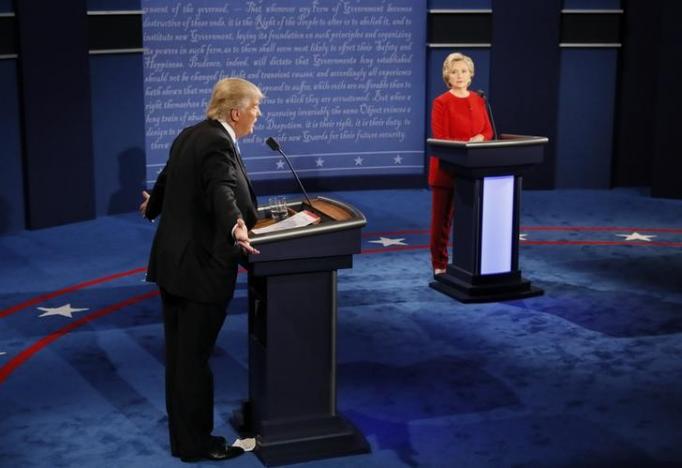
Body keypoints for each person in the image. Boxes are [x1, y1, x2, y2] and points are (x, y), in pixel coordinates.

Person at [139, 77, 262, 462]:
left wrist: (153, 206)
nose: (258, 115)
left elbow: (167, 176)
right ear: (236, 112)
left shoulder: (191, 134)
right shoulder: (217, 143)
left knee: (180, 358)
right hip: (200, 269)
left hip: (173, 265)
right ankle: (197, 443)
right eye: (255, 108)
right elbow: (220, 188)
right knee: (193, 361)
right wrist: (234, 224)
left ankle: (184, 440)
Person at [429, 52, 493, 276]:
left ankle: (469, 263)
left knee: (470, 220)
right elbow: (441, 137)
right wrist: (468, 142)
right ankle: (440, 264)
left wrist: (481, 138)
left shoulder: (478, 99)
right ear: (447, 75)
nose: (459, 75)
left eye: (464, 71)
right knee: (442, 222)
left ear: (471, 75)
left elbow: (488, 130)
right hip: (446, 171)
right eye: (454, 71)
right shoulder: (441, 102)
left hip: (472, 171)